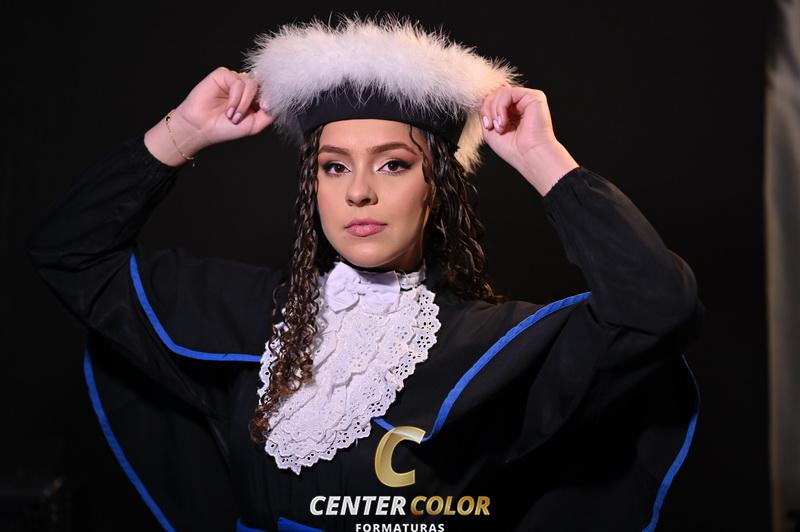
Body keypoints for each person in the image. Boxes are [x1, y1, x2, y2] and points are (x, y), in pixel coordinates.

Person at [26, 13, 705, 532]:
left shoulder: (492, 344)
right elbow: (68, 252)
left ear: (437, 187)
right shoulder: (243, 315)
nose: (358, 192)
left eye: (393, 164)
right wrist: (182, 132)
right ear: (312, 186)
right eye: (334, 166)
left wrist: (541, 158)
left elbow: (656, 306)